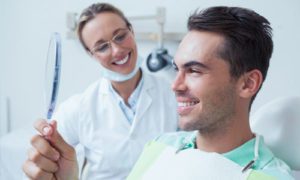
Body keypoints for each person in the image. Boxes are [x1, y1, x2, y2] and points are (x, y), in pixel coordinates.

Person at [127, 6, 294, 180]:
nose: (175, 85)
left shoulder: (269, 177)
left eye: (194, 70)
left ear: (247, 84)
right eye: (177, 69)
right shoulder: (159, 146)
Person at [22, 3, 178, 180]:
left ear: (131, 31)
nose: (117, 51)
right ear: (91, 54)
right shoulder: (79, 108)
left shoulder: (173, 94)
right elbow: (45, 163)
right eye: (102, 47)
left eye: (120, 36)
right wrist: (44, 160)